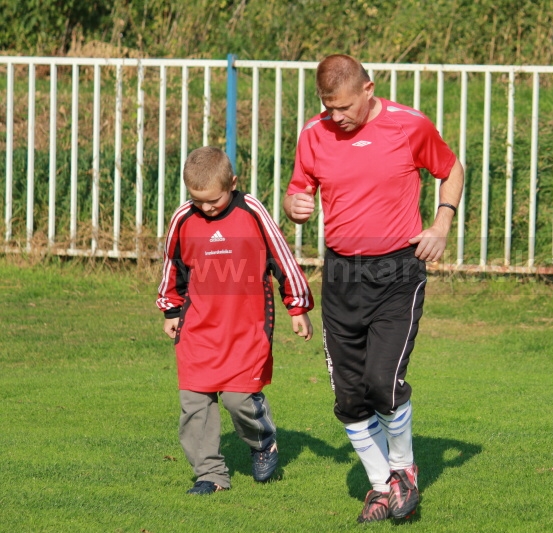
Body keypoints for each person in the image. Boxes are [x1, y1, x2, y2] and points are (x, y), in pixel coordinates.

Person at [283, 54, 464, 522]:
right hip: (341, 273)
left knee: (383, 383)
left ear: (369, 89)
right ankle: (382, 487)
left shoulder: (410, 126)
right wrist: (295, 205)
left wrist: (441, 223)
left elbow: (451, 168)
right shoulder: (312, 132)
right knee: (348, 396)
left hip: (397, 272)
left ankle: (404, 472)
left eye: (343, 107)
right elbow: (297, 188)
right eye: (327, 106)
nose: (335, 116)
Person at [157, 146, 314, 495]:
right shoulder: (183, 218)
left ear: (233, 183)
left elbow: (281, 257)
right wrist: (170, 308)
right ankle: (210, 475)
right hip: (197, 329)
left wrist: (297, 306)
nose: (206, 208)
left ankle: (263, 442)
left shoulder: (252, 211)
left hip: (246, 328)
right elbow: (173, 266)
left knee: (238, 400)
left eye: (213, 200)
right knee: (195, 404)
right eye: (198, 200)